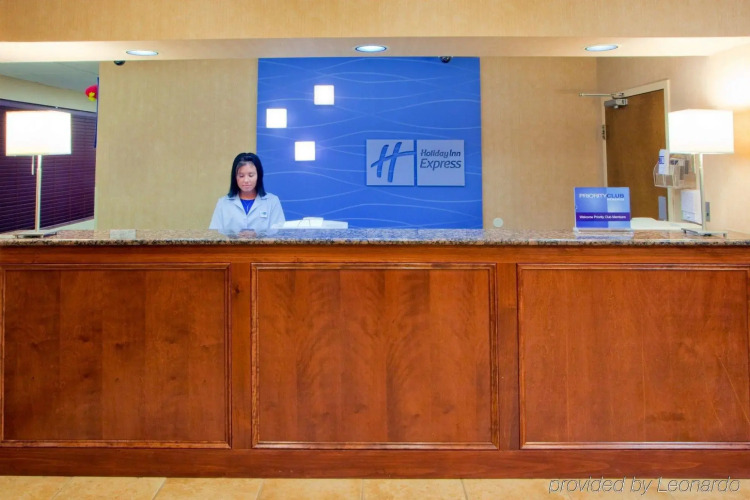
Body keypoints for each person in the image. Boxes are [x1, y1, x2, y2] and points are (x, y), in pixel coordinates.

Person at [209, 152, 285, 234]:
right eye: (241, 176)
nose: (246, 180)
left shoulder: (272, 201)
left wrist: (258, 236)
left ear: (258, 176)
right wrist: (235, 237)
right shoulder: (223, 203)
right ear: (235, 177)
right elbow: (214, 234)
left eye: (251, 175)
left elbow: (280, 234)